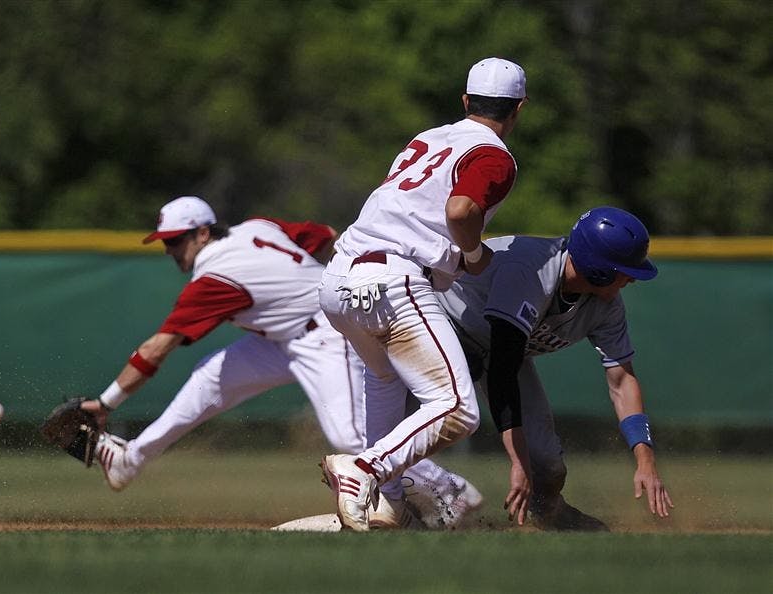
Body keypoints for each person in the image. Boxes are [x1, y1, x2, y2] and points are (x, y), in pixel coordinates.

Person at [80, 195, 483, 529]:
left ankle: (451, 491)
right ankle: (128, 460)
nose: (170, 250)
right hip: (280, 339)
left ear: (203, 233)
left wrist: (106, 403)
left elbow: (156, 348)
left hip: (325, 334)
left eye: (175, 241)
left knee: (349, 435)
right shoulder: (257, 228)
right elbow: (325, 236)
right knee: (209, 378)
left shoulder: (215, 276)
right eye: (165, 242)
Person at [317, 57, 530, 531]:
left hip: (337, 280)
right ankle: (365, 469)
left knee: (385, 382)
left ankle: (387, 500)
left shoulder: (428, 138)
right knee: (457, 407)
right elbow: (459, 210)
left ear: (465, 101)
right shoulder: (495, 154)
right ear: (519, 109)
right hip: (393, 279)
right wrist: (473, 255)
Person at [436, 206, 675, 530]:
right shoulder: (531, 272)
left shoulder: (607, 306)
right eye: (625, 270)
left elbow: (621, 380)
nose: (632, 278)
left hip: (501, 351)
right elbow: (503, 370)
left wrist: (645, 460)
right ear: (599, 269)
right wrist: (519, 462)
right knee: (428, 423)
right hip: (443, 327)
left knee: (548, 466)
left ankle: (548, 514)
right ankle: (395, 499)